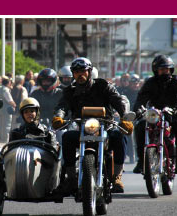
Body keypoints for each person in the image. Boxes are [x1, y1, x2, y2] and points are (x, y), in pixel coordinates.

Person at [54, 57, 127, 193]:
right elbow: (62, 105)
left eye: (83, 71)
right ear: (73, 74)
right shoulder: (70, 91)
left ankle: (116, 176)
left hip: (105, 126)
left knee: (119, 136)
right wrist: (58, 116)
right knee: (67, 137)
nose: (80, 74)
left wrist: (124, 117)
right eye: (76, 72)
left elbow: (118, 101)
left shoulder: (103, 86)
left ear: (89, 71)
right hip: (82, 128)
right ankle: (71, 178)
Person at [134, 55, 177, 174]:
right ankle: (141, 161)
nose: (165, 71)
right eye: (162, 69)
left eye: (167, 69)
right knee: (140, 126)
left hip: (173, 113)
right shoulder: (150, 82)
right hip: (154, 114)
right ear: (156, 70)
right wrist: (138, 110)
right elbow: (140, 99)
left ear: (171, 70)